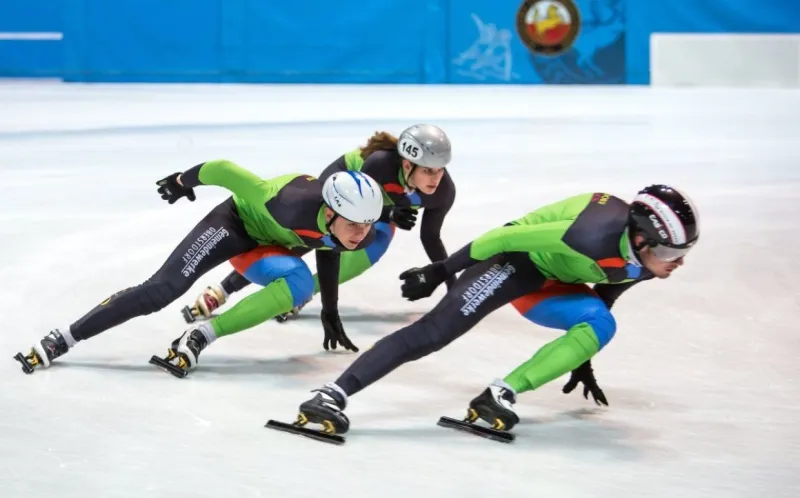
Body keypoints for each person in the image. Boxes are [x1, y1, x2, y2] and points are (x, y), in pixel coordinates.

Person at [281, 185, 700, 436]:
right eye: (669, 251)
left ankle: (497, 395)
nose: (676, 263)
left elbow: (610, 288)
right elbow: (500, 239)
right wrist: (438, 270)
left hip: (558, 282)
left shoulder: (647, 262)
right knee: (434, 332)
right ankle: (330, 395)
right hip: (515, 261)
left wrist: (580, 354)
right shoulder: (590, 232)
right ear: (642, 240)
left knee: (602, 323)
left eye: (683, 253)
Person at [13, 160, 384, 376]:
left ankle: (201, 335)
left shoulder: (356, 228)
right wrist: (181, 182)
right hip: (235, 225)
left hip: (267, 249)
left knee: (302, 285)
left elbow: (329, 249)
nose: (361, 234)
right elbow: (224, 170)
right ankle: (65, 336)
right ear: (332, 211)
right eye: (354, 225)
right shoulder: (288, 203)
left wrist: (330, 311)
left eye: (367, 225)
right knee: (161, 291)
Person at [182, 123, 455, 325]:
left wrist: (451, 285)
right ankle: (223, 289)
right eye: (428, 171)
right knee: (303, 238)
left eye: (440, 170)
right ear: (407, 166)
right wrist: (391, 213)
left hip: (379, 209)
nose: (435, 179)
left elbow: (431, 237)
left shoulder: (443, 192)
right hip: (343, 186)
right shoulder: (380, 164)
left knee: (367, 251)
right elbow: (363, 203)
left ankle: (304, 293)